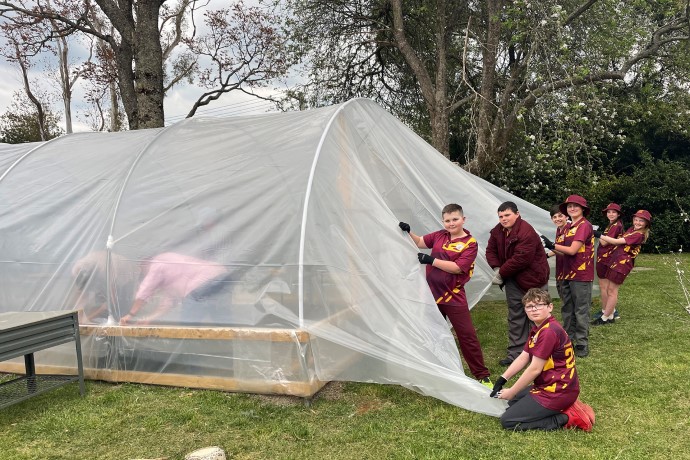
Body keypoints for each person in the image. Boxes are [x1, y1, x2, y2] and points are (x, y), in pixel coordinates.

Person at [398, 204, 492, 386]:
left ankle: (482, 375)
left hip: (453, 296)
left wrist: (431, 260)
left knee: (467, 335)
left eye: (455, 219)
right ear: (443, 221)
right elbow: (419, 242)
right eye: (447, 220)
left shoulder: (470, 243)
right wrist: (408, 232)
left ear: (463, 220)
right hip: (431, 295)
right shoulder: (440, 235)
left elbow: (458, 268)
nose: (451, 223)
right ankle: (438, 371)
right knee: (432, 334)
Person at [491, 288, 595, 432]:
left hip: (557, 391)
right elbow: (524, 356)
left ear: (550, 307)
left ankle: (567, 417)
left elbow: (534, 369)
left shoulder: (548, 331)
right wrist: (503, 379)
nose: (534, 309)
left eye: (539, 305)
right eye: (529, 306)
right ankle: (565, 406)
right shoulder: (539, 328)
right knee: (512, 403)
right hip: (547, 386)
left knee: (508, 421)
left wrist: (512, 391)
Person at [486, 201, 550, 366]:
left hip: (534, 279)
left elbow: (521, 259)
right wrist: (496, 268)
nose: (503, 219)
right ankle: (516, 354)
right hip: (513, 279)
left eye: (507, 215)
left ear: (517, 213)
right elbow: (490, 250)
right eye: (500, 216)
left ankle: (542, 352)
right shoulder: (497, 231)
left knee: (538, 316)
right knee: (516, 316)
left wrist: (501, 273)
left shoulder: (526, 231)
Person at [541, 194, 594, 358]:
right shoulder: (567, 228)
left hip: (580, 274)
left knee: (580, 310)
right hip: (565, 273)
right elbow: (561, 252)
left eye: (575, 206)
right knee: (567, 308)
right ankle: (568, 339)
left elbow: (571, 250)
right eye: (569, 206)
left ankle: (582, 343)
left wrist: (552, 245)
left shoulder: (584, 225)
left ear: (583, 209)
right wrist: (546, 252)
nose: (572, 209)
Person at [119, 252, 230, 325]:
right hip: (222, 275)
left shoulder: (157, 262)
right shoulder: (171, 269)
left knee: (187, 327)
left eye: (142, 270)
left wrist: (131, 315)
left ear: (144, 263)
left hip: (204, 280)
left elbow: (146, 289)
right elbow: (168, 302)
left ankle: (188, 358)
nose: (143, 274)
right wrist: (150, 318)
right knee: (225, 325)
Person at [592, 210, 651, 325]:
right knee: (609, 289)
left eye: (641, 221)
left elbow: (615, 241)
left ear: (646, 224)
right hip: (616, 261)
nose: (637, 222)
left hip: (622, 265)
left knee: (612, 291)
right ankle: (610, 315)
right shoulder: (632, 230)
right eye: (636, 219)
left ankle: (605, 318)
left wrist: (598, 234)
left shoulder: (639, 234)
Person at [72, 251, 140, 324]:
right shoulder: (76, 270)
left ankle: (122, 319)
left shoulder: (107, 270)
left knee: (120, 303)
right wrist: (78, 320)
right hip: (99, 269)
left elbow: (112, 298)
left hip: (125, 272)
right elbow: (80, 294)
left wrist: (104, 308)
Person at [593, 203, 624, 322]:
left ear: (618, 214)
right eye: (608, 212)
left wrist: (596, 233)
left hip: (607, 259)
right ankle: (607, 310)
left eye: (613, 212)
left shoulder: (616, 225)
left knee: (605, 287)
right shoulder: (611, 225)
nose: (610, 214)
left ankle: (608, 312)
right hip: (605, 258)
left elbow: (605, 243)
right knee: (604, 287)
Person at [546, 205, 568, 303]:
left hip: (569, 270)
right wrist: (546, 255)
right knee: (561, 293)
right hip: (560, 268)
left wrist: (551, 246)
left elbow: (566, 251)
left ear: (566, 216)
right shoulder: (559, 230)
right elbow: (557, 248)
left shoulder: (570, 230)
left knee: (567, 298)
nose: (557, 219)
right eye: (554, 217)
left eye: (560, 216)